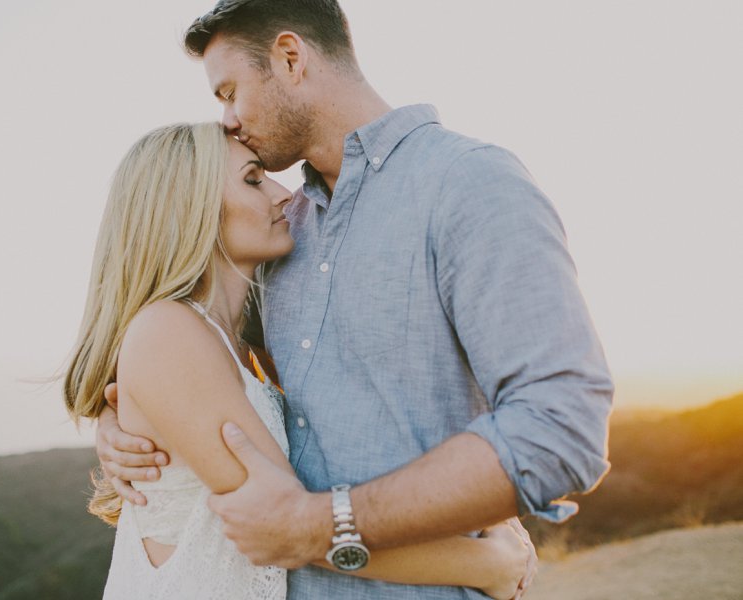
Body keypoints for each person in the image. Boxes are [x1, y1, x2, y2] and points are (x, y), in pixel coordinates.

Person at [97, 0, 614, 597]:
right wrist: (122, 425)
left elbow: (560, 427)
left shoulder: (467, 183)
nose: (229, 120)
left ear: (290, 58)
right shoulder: (287, 232)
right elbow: (191, 357)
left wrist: (322, 526)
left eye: (229, 92)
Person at [65, 122, 534, 599]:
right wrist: (484, 564)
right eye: (252, 179)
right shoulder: (168, 331)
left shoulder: (241, 342)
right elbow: (291, 525)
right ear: (188, 208)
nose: (284, 193)